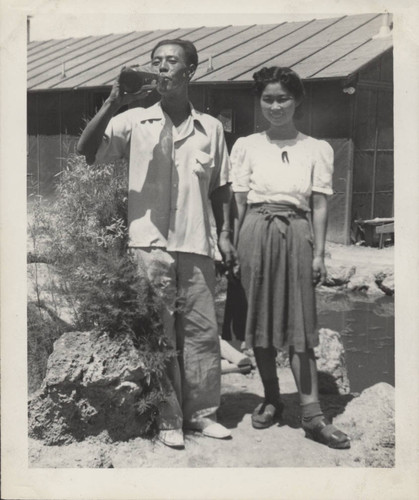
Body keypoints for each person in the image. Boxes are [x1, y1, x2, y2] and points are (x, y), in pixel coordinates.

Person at [77, 39, 237, 449]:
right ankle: (169, 418)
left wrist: (224, 234)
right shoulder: (133, 120)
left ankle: (203, 416)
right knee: (158, 333)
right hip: (148, 245)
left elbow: (221, 188)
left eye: (171, 62)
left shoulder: (212, 128)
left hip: (196, 243)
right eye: (156, 62)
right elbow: (86, 152)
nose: (162, 69)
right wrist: (114, 100)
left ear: (191, 71)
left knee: (201, 333)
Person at [229, 66, 350, 449]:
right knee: (259, 324)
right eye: (268, 98)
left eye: (283, 98)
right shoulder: (246, 145)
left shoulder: (317, 148)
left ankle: (314, 416)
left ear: (297, 100)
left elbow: (318, 205)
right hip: (254, 233)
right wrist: (233, 246)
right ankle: (271, 398)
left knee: (301, 325)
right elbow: (238, 202)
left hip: (296, 233)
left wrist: (320, 254)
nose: (276, 105)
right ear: (259, 101)